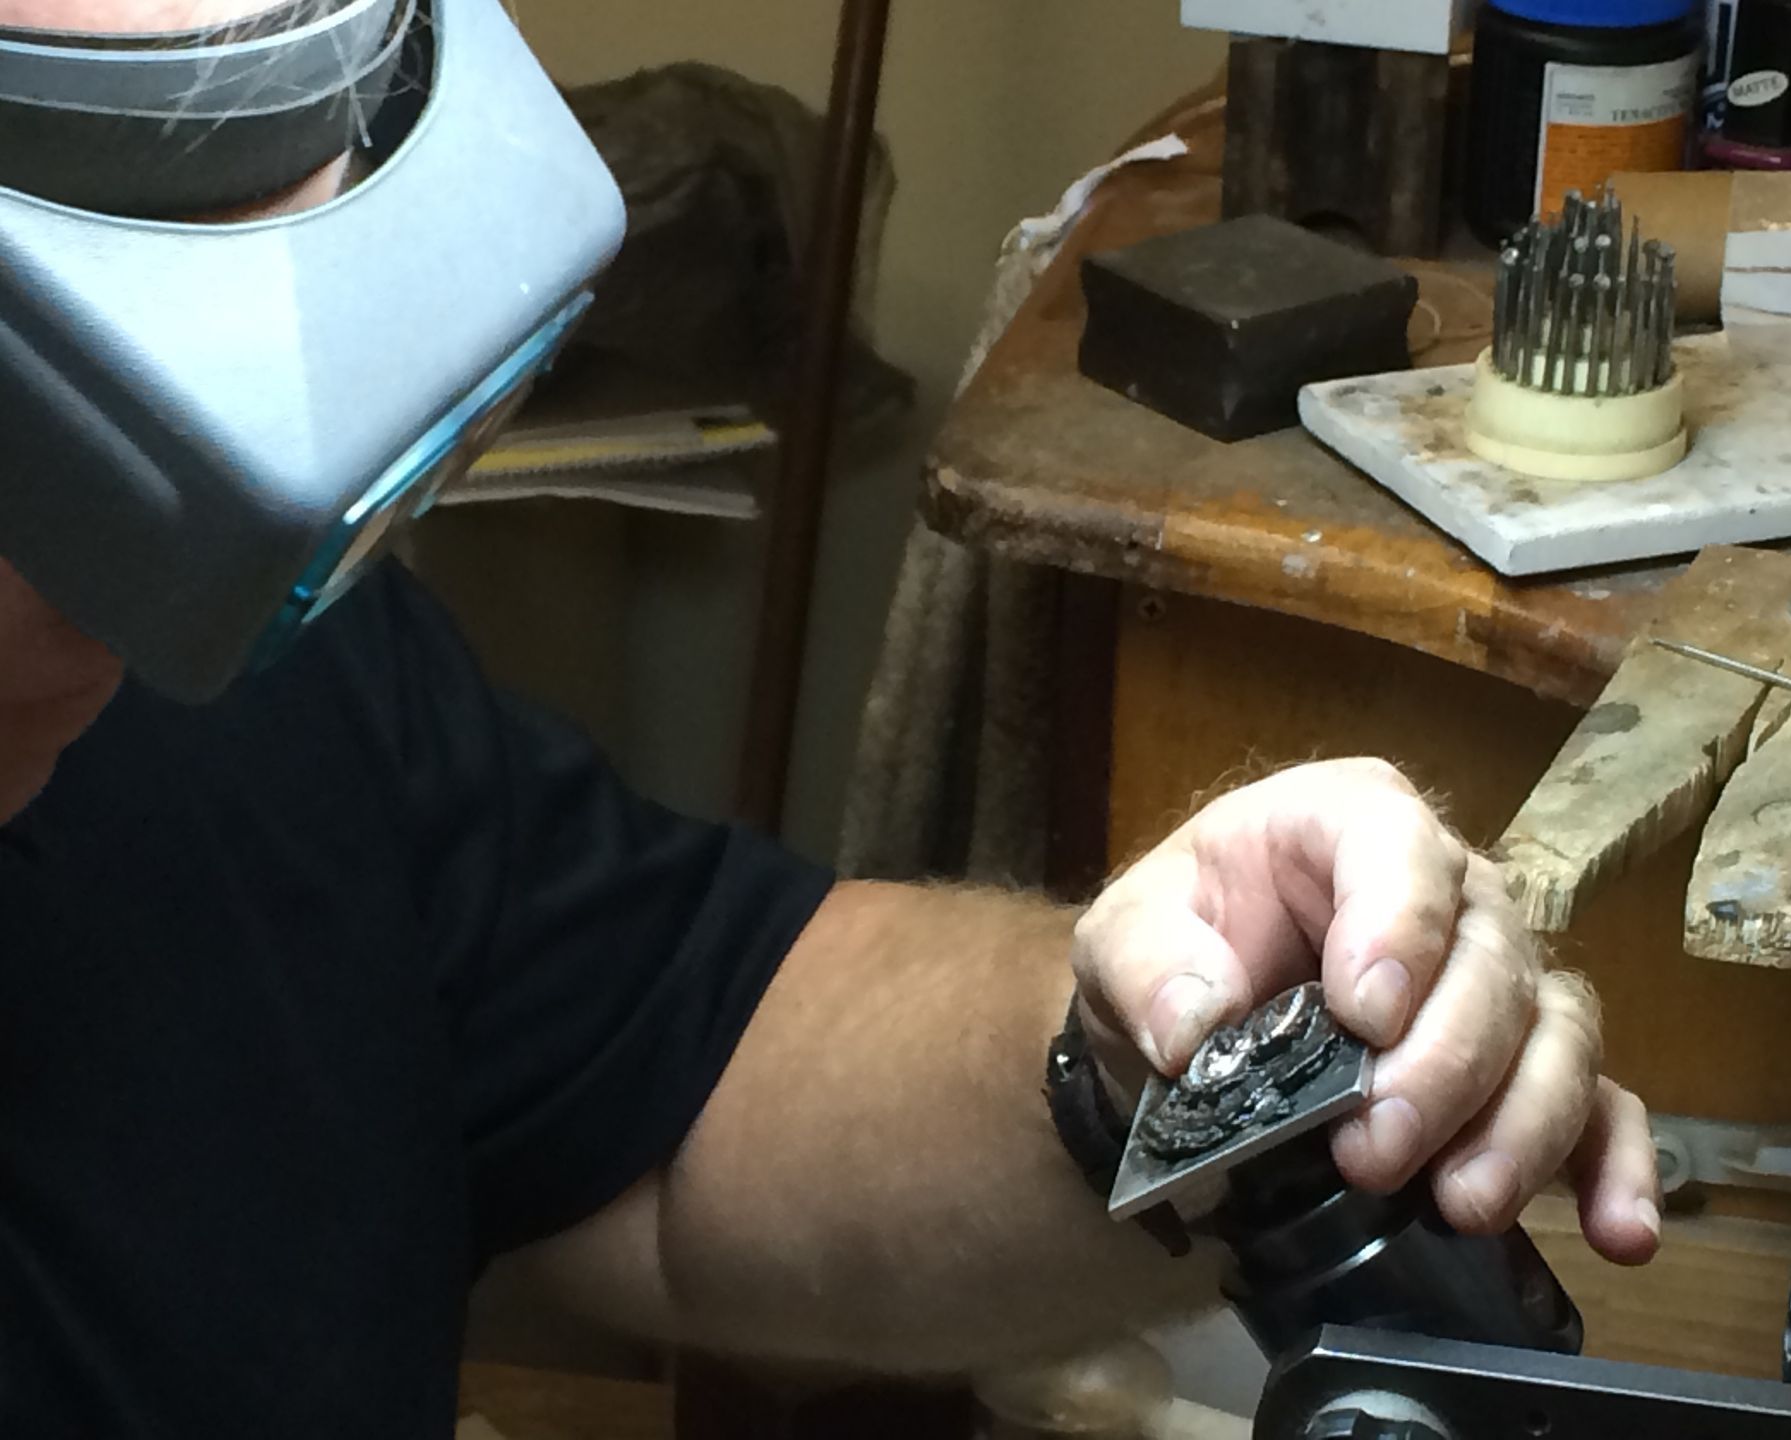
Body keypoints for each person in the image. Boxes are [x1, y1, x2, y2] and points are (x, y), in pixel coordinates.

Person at [0, 0, 1662, 1433]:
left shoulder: (223, 690)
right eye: (74, 441)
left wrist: (1181, 1048)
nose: (162, 590)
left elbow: (686, 1079)